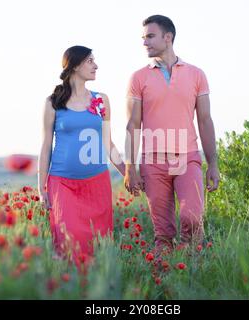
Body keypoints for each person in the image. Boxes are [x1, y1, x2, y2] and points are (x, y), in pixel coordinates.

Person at [124, 15, 220, 254]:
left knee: (192, 218)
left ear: (168, 37)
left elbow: (205, 120)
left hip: (187, 157)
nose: (145, 42)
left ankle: (194, 273)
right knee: (163, 233)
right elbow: (133, 124)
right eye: (143, 38)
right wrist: (130, 167)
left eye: (150, 36)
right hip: (152, 161)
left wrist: (213, 163)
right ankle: (167, 281)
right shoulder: (138, 78)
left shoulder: (196, 74)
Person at [37, 46, 125, 267]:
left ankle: (91, 292)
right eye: (90, 61)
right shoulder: (53, 103)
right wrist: (41, 188)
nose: (95, 65)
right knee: (68, 241)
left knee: (97, 246)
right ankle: (67, 288)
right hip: (62, 184)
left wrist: (127, 173)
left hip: (97, 185)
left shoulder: (101, 100)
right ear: (75, 65)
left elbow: (108, 144)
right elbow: (46, 146)